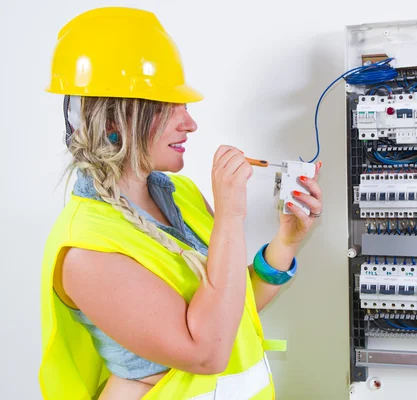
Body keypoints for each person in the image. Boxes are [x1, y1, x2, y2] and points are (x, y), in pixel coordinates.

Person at [39, 7, 323, 400]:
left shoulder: (182, 195)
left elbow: (230, 313)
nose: (189, 123)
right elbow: (206, 352)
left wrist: (286, 242)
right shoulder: (86, 250)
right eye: (168, 107)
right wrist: (230, 215)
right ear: (112, 121)